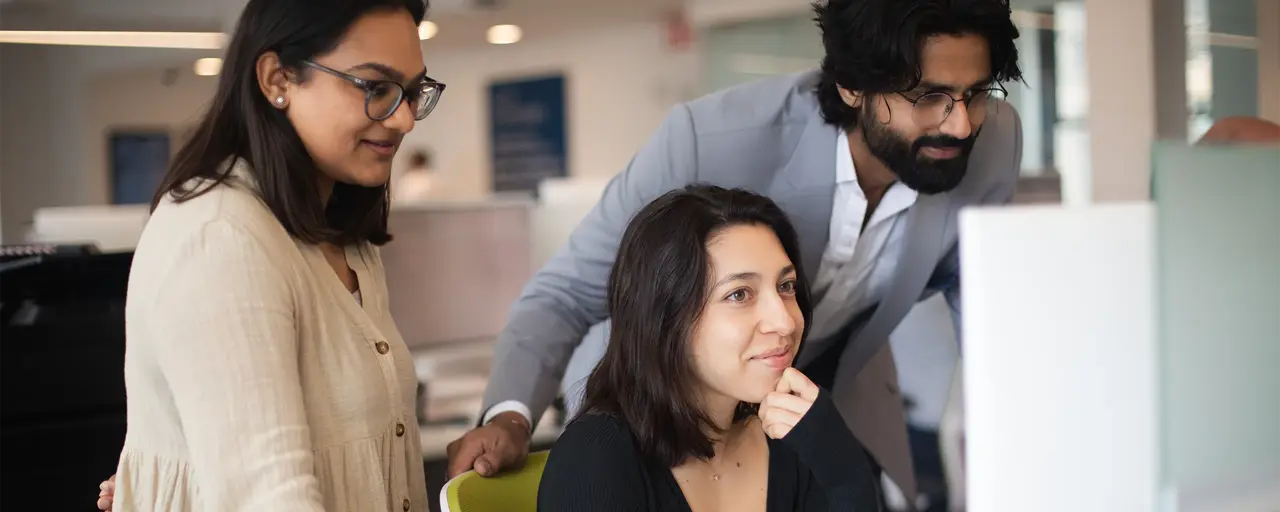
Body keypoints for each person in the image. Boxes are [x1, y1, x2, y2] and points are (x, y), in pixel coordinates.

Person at [448, 0, 1025, 504]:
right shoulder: (710, 139)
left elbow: (976, 295)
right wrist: (509, 414)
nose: (960, 124)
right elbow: (568, 291)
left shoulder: (992, 142)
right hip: (663, 419)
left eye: (975, 93)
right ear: (854, 85)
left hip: (813, 412)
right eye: (929, 96)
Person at [95, 0, 444, 510]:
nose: (406, 119)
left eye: (412, 92)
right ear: (278, 79)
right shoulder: (220, 236)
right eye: (376, 88)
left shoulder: (341, 231)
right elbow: (266, 497)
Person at [537, 185, 881, 511]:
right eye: (739, 294)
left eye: (786, 285)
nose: (786, 321)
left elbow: (846, 486)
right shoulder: (597, 457)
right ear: (666, 318)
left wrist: (844, 471)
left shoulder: (794, 442)